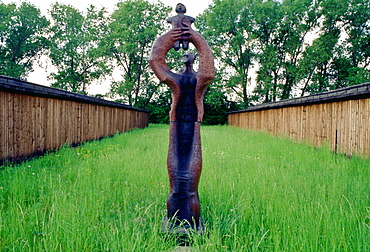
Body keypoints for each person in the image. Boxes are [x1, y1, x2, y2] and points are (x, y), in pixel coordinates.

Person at [149, 21, 214, 230]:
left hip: (193, 129)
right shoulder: (175, 79)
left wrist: (195, 37)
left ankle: (191, 222)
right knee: (177, 184)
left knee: (190, 184)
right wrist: (172, 35)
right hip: (176, 128)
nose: (185, 55)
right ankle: (175, 220)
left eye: (190, 54)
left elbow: (209, 71)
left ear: (193, 56)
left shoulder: (198, 79)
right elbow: (155, 60)